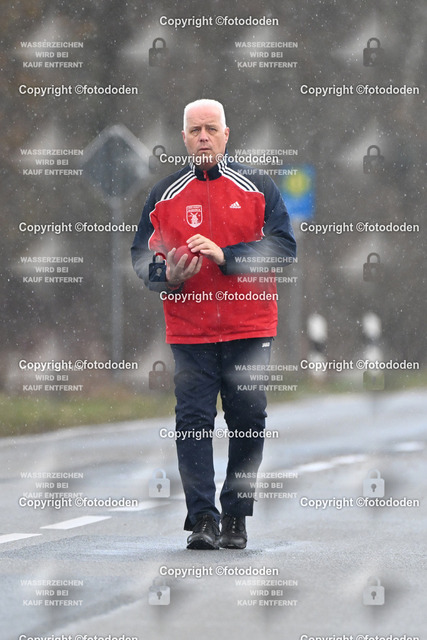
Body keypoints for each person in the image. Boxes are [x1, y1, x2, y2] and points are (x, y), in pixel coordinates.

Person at [131, 99, 296, 550]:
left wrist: (228, 257)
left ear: (226, 134)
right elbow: (142, 257)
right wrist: (168, 275)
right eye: (194, 130)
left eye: (210, 128)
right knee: (193, 421)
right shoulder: (164, 195)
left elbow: (284, 247)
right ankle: (203, 518)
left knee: (248, 419)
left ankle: (236, 517)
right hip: (191, 331)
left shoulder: (258, 187)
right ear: (184, 138)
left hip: (250, 327)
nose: (203, 137)